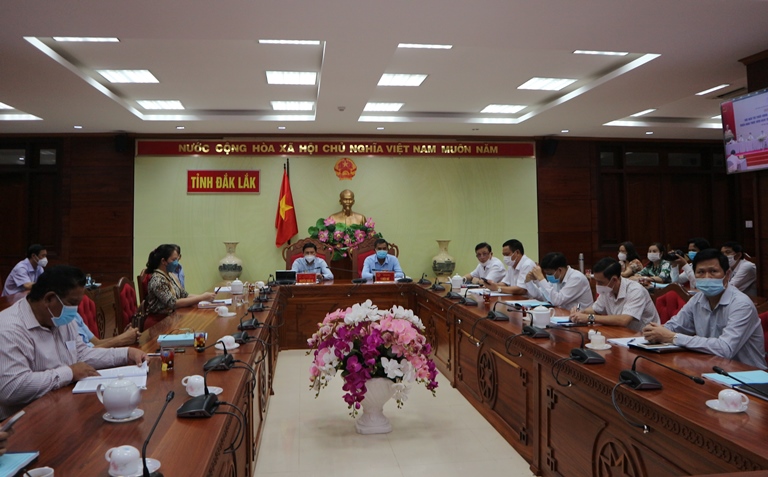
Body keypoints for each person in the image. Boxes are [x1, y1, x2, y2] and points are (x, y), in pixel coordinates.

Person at [0, 265, 147, 419]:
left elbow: (81, 354)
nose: (75, 310)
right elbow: (11, 387)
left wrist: (126, 354)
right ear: (49, 299)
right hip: (23, 420)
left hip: (62, 405)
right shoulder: (10, 329)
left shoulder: (59, 318)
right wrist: (69, 373)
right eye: (72, 303)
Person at [643, 249, 766, 370]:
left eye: (713, 271)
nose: (707, 277)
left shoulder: (741, 305)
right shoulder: (697, 299)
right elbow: (675, 325)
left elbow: (725, 349)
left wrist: (673, 337)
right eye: (701, 272)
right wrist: (656, 331)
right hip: (711, 367)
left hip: (747, 374)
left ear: (727, 275)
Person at [570, 257, 659, 332]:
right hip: (621, 334)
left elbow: (624, 320)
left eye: (600, 282)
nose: (597, 285)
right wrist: (581, 312)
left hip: (645, 338)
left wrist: (589, 317)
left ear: (614, 280)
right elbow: (596, 309)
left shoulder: (635, 290)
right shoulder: (608, 289)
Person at [144, 244, 215, 329]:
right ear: (163, 261)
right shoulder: (158, 280)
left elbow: (184, 295)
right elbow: (173, 303)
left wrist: (205, 297)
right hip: (158, 322)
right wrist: (201, 298)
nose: (176, 263)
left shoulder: (169, 275)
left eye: (177, 259)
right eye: (174, 260)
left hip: (172, 318)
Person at [525, 252, 593, 310]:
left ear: (559, 270)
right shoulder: (557, 279)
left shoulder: (577, 278)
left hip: (582, 319)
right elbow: (541, 296)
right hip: (564, 315)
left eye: (549, 274)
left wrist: (541, 279)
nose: (547, 276)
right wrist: (528, 282)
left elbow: (557, 301)